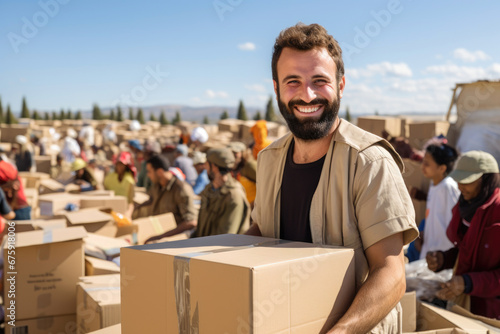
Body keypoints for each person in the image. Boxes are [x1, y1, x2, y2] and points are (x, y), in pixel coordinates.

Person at [246, 23, 418, 333]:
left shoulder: (369, 161)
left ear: (340, 85)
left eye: (319, 81)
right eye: (293, 81)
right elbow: (264, 229)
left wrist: (340, 332)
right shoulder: (268, 159)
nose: (307, 94)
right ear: (276, 89)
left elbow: (391, 275)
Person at [426, 151, 500, 319]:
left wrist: (468, 282)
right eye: (459, 181)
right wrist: (444, 259)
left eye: (467, 182)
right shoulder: (466, 207)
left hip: (492, 313)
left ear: (487, 179)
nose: (460, 187)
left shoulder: (497, 212)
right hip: (465, 306)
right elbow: (467, 250)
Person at [414, 144, 459, 260]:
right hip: (430, 255)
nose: (422, 166)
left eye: (427, 164)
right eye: (423, 162)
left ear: (442, 168)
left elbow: (454, 224)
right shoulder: (434, 185)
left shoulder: (448, 187)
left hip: (442, 258)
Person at [191, 148, 250, 237]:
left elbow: (225, 238)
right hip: (201, 246)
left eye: (206, 164)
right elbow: (200, 228)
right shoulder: (209, 189)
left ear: (214, 166)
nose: (205, 167)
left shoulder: (234, 195)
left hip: (217, 249)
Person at [141, 155, 197, 243]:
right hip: (158, 233)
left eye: (149, 171)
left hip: (175, 240)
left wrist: (160, 237)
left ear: (159, 172)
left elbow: (191, 222)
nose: (148, 175)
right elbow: (149, 201)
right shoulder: (157, 187)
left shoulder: (181, 189)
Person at [104, 151, 136, 218]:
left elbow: (131, 202)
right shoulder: (109, 178)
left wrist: (128, 214)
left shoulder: (129, 181)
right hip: (110, 211)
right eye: (118, 164)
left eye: (122, 164)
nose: (119, 167)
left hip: (124, 211)